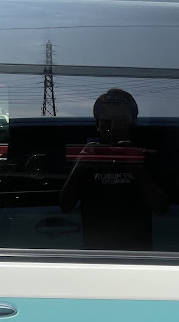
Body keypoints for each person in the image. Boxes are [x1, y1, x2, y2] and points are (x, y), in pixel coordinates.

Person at [60, 89, 168, 250]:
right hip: (95, 255)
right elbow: (65, 205)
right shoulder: (85, 159)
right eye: (107, 121)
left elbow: (162, 207)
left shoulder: (148, 157)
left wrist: (135, 165)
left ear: (133, 122)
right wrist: (80, 165)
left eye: (120, 120)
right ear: (97, 124)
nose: (113, 127)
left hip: (138, 256)